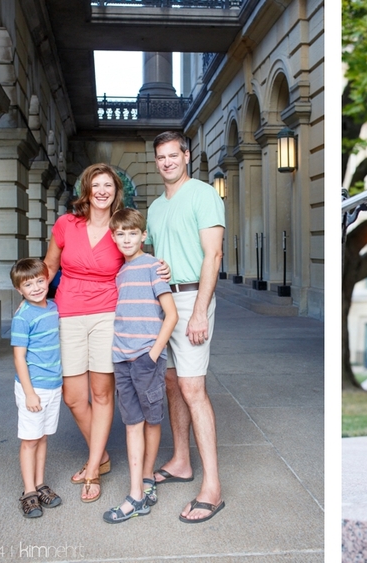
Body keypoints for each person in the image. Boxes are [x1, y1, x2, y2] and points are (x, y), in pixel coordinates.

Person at [44, 163, 169, 503]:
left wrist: (162, 265)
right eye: (96, 184)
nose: (102, 190)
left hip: (107, 315)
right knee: (73, 395)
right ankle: (101, 454)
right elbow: (50, 266)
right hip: (69, 312)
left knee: (101, 394)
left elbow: (138, 253)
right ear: (86, 190)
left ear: (116, 192)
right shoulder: (66, 224)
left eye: (108, 186)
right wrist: (33, 301)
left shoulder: (118, 229)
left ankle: (93, 468)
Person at [146, 131, 226, 523]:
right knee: (172, 383)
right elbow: (158, 255)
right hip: (164, 302)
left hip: (193, 298)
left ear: (186, 155)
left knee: (194, 388)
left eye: (172, 155)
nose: (166, 162)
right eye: (160, 157)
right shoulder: (156, 207)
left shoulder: (203, 194)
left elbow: (213, 255)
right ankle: (180, 461)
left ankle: (212, 487)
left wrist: (199, 310)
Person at [102, 209, 178, 523]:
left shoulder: (153, 267)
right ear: (113, 236)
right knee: (132, 422)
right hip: (121, 358)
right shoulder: (120, 273)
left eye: (132, 233)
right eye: (120, 234)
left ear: (143, 236)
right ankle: (137, 492)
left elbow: (171, 315)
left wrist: (152, 355)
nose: (126, 239)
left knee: (152, 419)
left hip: (146, 358)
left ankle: (144, 481)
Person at [10, 258, 63, 518]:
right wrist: (30, 392)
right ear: (19, 290)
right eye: (28, 284)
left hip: (54, 385)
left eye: (40, 281)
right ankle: (29, 492)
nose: (36, 287)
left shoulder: (53, 307)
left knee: (42, 437)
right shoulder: (23, 316)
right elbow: (19, 357)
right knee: (30, 440)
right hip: (34, 388)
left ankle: (41, 484)